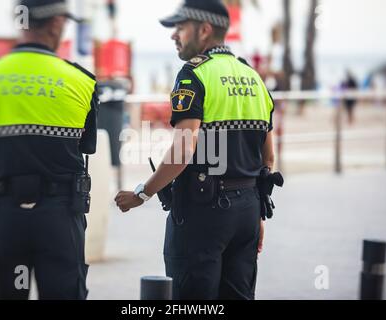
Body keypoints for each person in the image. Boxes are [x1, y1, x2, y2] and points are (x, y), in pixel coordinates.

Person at [115, 0, 275, 300]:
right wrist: (258, 215)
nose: (174, 35)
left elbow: (183, 150)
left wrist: (141, 194)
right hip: (248, 213)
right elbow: (267, 158)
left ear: (204, 30)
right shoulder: (254, 78)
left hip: (204, 214)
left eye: (180, 27)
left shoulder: (194, 74)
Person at [0, 0, 98, 299]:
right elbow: (86, 145)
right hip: (60, 217)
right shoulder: (81, 80)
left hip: (4, 215)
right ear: (55, 23)